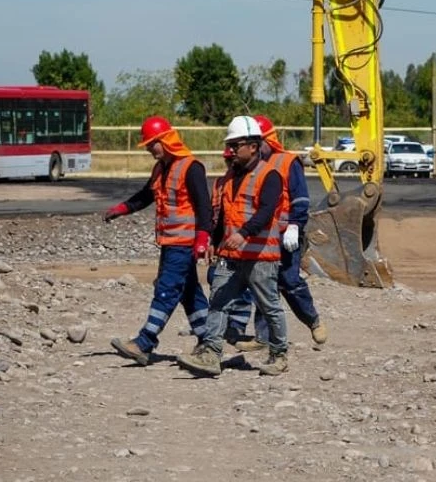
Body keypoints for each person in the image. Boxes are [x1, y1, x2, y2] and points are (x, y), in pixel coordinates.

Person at [177, 115, 291, 377]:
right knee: (218, 302)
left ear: (253, 146)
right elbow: (223, 216)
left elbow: (266, 211)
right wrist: (214, 243)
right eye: (230, 145)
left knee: (269, 306)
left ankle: (279, 354)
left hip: (260, 256)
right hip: (230, 255)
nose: (231, 151)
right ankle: (211, 353)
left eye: (236, 145)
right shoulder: (227, 179)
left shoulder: (269, 175)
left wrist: (244, 233)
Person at [105, 116, 216, 366]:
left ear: (166, 140)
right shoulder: (161, 168)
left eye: (151, 144)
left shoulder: (191, 167)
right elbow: (146, 196)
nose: (148, 149)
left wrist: (202, 239)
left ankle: (145, 342)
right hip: (169, 242)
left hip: (183, 243)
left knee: (166, 289)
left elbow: (204, 207)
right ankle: (209, 340)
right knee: (189, 293)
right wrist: (122, 208)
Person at [231, 115, 327, 352]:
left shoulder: (287, 162)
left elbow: (300, 197)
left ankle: (312, 320)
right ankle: (263, 338)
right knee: (265, 285)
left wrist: (295, 224)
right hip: (264, 237)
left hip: (287, 235)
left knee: (289, 281)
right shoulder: (250, 167)